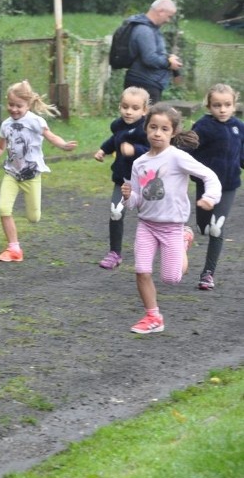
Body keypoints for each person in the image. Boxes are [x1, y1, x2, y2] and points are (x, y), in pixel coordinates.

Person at [121, 103, 221, 334]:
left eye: (164, 129)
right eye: (153, 127)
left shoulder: (177, 158)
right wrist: (128, 196)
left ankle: (185, 241)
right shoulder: (139, 163)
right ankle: (153, 316)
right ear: (146, 129)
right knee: (142, 271)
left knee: (171, 278)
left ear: (173, 132)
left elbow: (209, 175)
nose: (157, 133)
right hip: (146, 224)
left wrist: (210, 198)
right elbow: (136, 202)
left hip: (172, 227)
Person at [0, 80, 77, 262]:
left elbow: (51, 136)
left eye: (18, 106)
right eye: (10, 105)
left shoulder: (36, 121)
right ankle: (14, 249)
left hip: (32, 175)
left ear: (28, 105)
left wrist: (63, 145)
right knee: (4, 209)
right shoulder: (6, 125)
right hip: (12, 173)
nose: (13, 109)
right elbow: (0, 146)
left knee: (33, 217)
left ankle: (28, 221)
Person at [188, 83, 244, 290]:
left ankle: (208, 274)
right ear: (209, 106)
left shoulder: (239, 127)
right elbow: (188, 150)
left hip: (229, 186)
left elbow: (242, 155)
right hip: (206, 185)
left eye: (227, 105)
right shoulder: (203, 126)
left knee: (216, 228)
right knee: (203, 228)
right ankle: (189, 234)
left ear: (234, 105)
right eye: (217, 105)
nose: (222, 109)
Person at [94, 87, 151, 269]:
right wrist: (104, 150)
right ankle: (114, 253)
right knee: (116, 212)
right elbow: (115, 140)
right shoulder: (118, 125)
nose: (128, 111)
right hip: (122, 179)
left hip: (145, 181)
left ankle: (170, 243)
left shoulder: (147, 129)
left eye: (135, 108)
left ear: (144, 110)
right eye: (125, 106)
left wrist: (135, 150)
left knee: (154, 216)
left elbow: (154, 150)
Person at [123, 0, 183, 104]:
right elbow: (149, 58)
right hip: (144, 84)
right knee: (145, 120)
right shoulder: (145, 30)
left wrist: (169, 57)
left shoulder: (151, 29)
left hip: (149, 82)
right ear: (160, 11)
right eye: (169, 16)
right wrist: (169, 62)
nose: (168, 20)